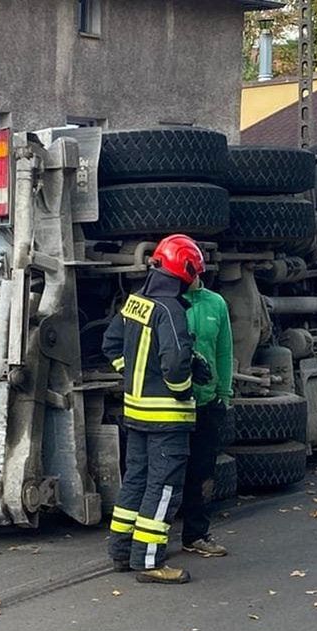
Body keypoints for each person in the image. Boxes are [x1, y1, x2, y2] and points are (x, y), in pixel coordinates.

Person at [104, 234, 209, 584]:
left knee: (134, 481)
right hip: (167, 417)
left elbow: (112, 344)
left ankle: (121, 551)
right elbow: (175, 363)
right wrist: (184, 388)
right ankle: (149, 561)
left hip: (136, 413)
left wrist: (135, 377)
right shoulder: (172, 309)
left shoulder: (136, 301)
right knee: (163, 488)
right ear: (186, 269)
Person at [180, 275, 235, 557]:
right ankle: (154, 538)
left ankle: (196, 535)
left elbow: (224, 352)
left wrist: (223, 395)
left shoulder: (216, 304)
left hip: (208, 403)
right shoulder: (168, 303)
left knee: (203, 472)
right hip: (175, 405)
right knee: (168, 474)